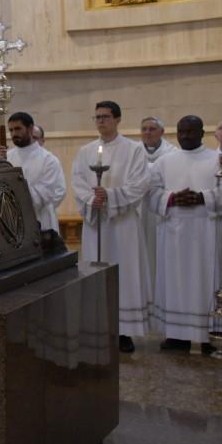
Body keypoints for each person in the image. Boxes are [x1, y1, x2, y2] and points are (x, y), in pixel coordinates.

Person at [71, 101, 151, 353]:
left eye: (105, 116)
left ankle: (124, 331)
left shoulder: (134, 150)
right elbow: (77, 181)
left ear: (117, 119)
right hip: (96, 223)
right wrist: (91, 199)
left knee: (124, 273)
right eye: (97, 117)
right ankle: (97, 327)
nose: (101, 121)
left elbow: (140, 183)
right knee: (95, 270)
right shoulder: (85, 151)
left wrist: (111, 196)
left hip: (123, 223)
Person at [146, 116, 222, 353]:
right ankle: (177, 336)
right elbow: (150, 193)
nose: (185, 136)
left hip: (207, 232)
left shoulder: (218, 160)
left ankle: (209, 337)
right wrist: (172, 198)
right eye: (181, 132)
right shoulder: (164, 162)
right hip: (173, 233)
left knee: (206, 283)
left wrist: (202, 197)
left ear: (202, 133)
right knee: (175, 283)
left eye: (190, 132)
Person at [1, 112, 66, 233]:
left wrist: (16, 183)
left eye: (18, 129)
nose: (14, 134)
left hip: (41, 221)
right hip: (11, 222)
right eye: (11, 130)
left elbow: (44, 196)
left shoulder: (48, 160)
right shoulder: (7, 157)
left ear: (30, 128)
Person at [140, 116, 177, 303]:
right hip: (139, 209)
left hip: (161, 209)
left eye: (152, 129)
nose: (147, 132)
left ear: (162, 132)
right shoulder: (134, 152)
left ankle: (162, 295)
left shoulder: (173, 153)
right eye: (144, 129)